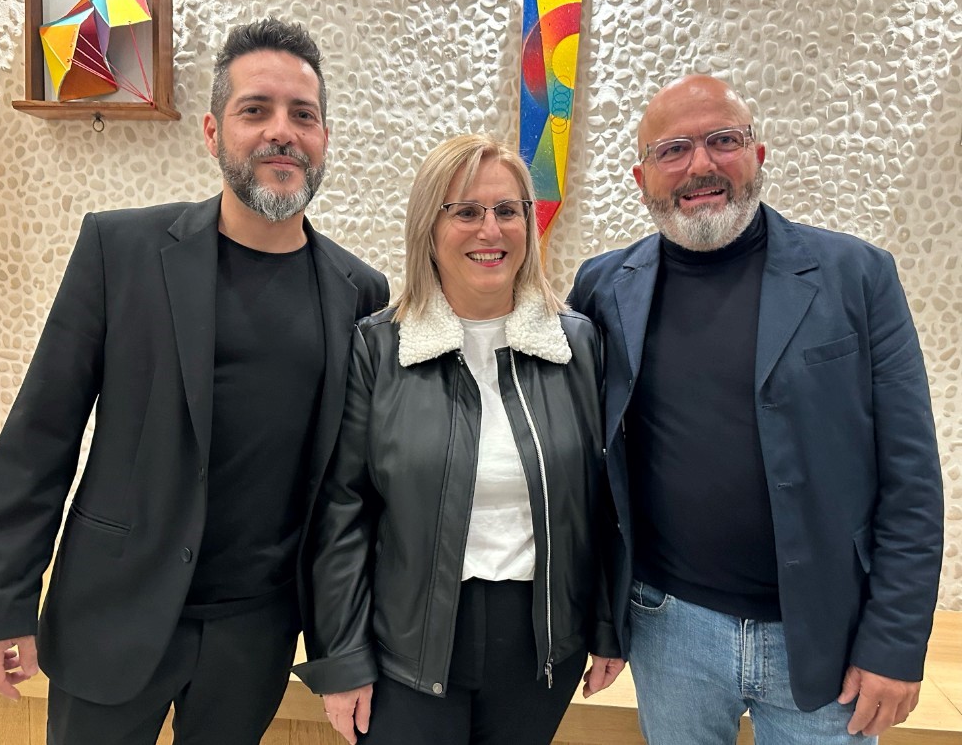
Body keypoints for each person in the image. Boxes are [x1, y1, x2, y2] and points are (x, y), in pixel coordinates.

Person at [0, 17, 388, 745]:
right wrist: (0, 597)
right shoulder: (120, 249)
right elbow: (42, 433)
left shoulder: (361, 293)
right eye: (255, 110)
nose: (281, 132)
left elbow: (350, 487)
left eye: (303, 115)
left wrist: (346, 639)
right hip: (110, 609)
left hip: (255, 633)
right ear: (213, 132)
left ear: (324, 138)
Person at [568, 74, 944, 744]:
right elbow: (589, 468)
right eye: (673, 149)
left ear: (758, 154)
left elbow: (911, 476)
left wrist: (895, 640)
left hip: (828, 637)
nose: (700, 165)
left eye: (723, 140)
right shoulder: (602, 288)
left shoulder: (857, 277)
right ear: (641, 177)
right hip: (668, 629)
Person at [293, 134, 625, 745]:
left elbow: (604, 501)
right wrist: (342, 657)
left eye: (507, 211)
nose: (489, 230)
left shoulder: (576, 345)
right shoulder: (379, 349)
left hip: (541, 648)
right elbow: (343, 512)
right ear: (429, 226)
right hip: (406, 647)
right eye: (466, 211)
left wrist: (608, 625)